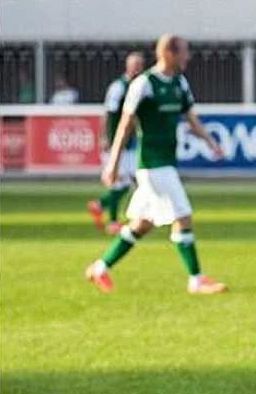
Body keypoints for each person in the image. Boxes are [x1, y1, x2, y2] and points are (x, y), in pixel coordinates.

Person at [86, 34, 228, 295]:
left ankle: (100, 268)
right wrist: (113, 165)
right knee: (183, 217)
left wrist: (210, 141)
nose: (188, 57)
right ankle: (196, 280)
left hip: (166, 163)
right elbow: (125, 125)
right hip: (152, 165)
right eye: (184, 52)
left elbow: (190, 118)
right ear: (169, 53)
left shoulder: (179, 83)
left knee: (142, 224)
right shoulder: (144, 84)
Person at [87, 51, 145, 235]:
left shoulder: (139, 86)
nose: (138, 68)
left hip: (130, 144)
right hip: (117, 144)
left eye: (140, 65)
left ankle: (100, 206)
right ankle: (112, 220)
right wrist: (104, 138)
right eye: (135, 65)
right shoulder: (118, 87)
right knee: (120, 183)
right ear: (128, 66)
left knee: (127, 183)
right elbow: (108, 114)